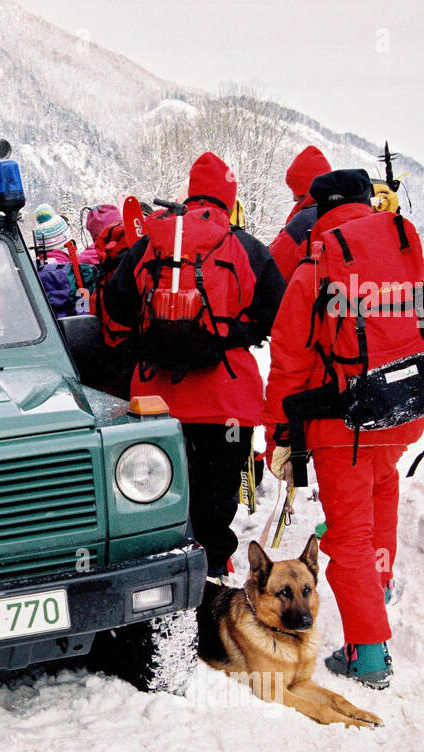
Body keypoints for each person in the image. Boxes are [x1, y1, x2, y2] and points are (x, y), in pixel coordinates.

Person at [264, 169, 424, 689]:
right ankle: (380, 581)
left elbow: (289, 360)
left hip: (340, 423)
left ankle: (368, 654)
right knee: (382, 490)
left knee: (346, 536)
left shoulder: (315, 269)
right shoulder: (414, 259)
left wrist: (279, 434)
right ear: (370, 204)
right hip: (403, 413)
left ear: (318, 213)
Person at [102, 152, 286, 589]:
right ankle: (214, 580)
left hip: (155, 400)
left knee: (158, 495)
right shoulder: (245, 247)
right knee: (217, 499)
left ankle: (159, 587)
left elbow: (115, 302)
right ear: (230, 196)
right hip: (226, 400)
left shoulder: (153, 242)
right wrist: (235, 332)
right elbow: (278, 311)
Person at [268, 146, 333, 282]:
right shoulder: (339, 211)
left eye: (296, 190)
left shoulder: (304, 221)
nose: (293, 198)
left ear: (306, 189)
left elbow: (271, 271)